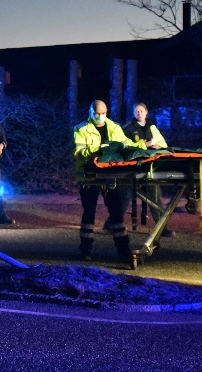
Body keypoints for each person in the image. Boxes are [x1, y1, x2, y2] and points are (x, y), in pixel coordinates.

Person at [73, 100, 146, 261]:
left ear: (107, 112)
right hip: (89, 177)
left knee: (116, 212)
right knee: (89, 212)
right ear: (90, 112)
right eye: (97, 114)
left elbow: (127, 147)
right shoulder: (81, 129)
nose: (100, 116)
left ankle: (123, 248)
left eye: (103, 113)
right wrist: (99, 151)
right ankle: (86, 248)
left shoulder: (114, 128)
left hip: (111, 176)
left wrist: (144, 146)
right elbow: (79, 152)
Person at [121, 102, 175, 238]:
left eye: (141, 111)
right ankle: (112, 223)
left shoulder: (152, 127)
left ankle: (162, 228)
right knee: (125, 198)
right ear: (133, 113)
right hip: (133, 169)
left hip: (151, 168)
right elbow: (124, 147)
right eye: (136, 111)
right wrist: (142, 145)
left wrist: (157, 146)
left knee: (155, 198)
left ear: (146, 112)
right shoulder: (127, 128)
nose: (139, 113)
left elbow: (164, 144)